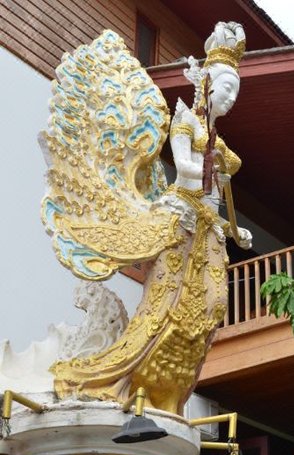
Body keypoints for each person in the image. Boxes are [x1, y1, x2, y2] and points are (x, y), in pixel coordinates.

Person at [50, 23, 252, 413]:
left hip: (208, 227)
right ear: (207, 83)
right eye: (226, 89)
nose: (230, 99)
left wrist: (233, 226)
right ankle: (134, 379)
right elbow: (185, 168)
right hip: (181, 219)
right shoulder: (186, 120)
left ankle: (171, 391)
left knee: (212, 306)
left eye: (235, 94)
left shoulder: (219, 141)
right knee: (166, 306)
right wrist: (208, 166)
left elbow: (220, 187)